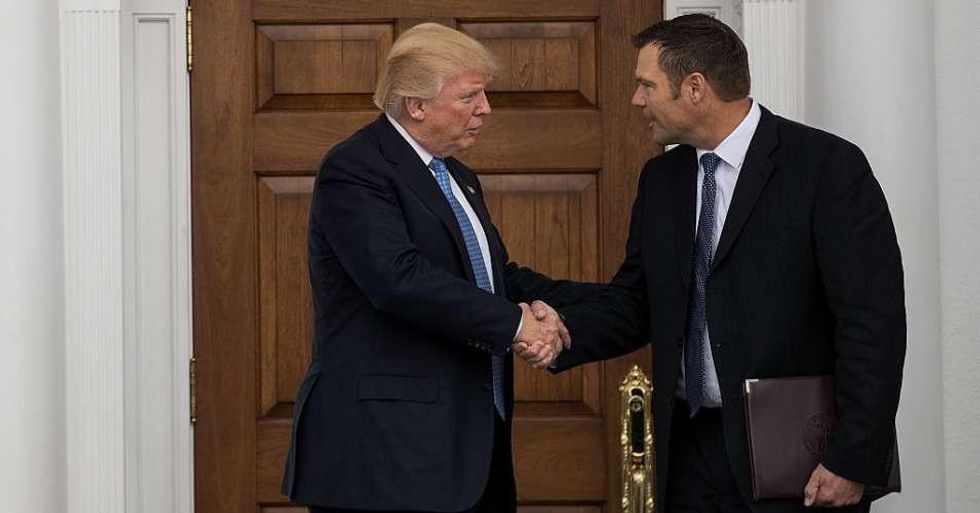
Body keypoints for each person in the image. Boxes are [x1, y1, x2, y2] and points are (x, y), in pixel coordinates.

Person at [520, 14, 906, 513]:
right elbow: (637, 303)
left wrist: (854, 457)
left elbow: (872, 324)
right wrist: (563, 332)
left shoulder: (827, 168)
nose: (637, 100)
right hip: (688, 452)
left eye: (646, 85)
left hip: (797, 459)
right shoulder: (662, 179)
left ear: (695, 88)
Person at [281, 22, 586, 513]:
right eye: (470, 96)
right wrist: (517, 325)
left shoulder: (456, 175)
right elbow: (398, 280)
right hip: (387, 457)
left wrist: (577, 308)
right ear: (416, 105)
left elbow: (489, 278)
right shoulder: (356, 168)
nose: (486, 109)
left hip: (468, 453)